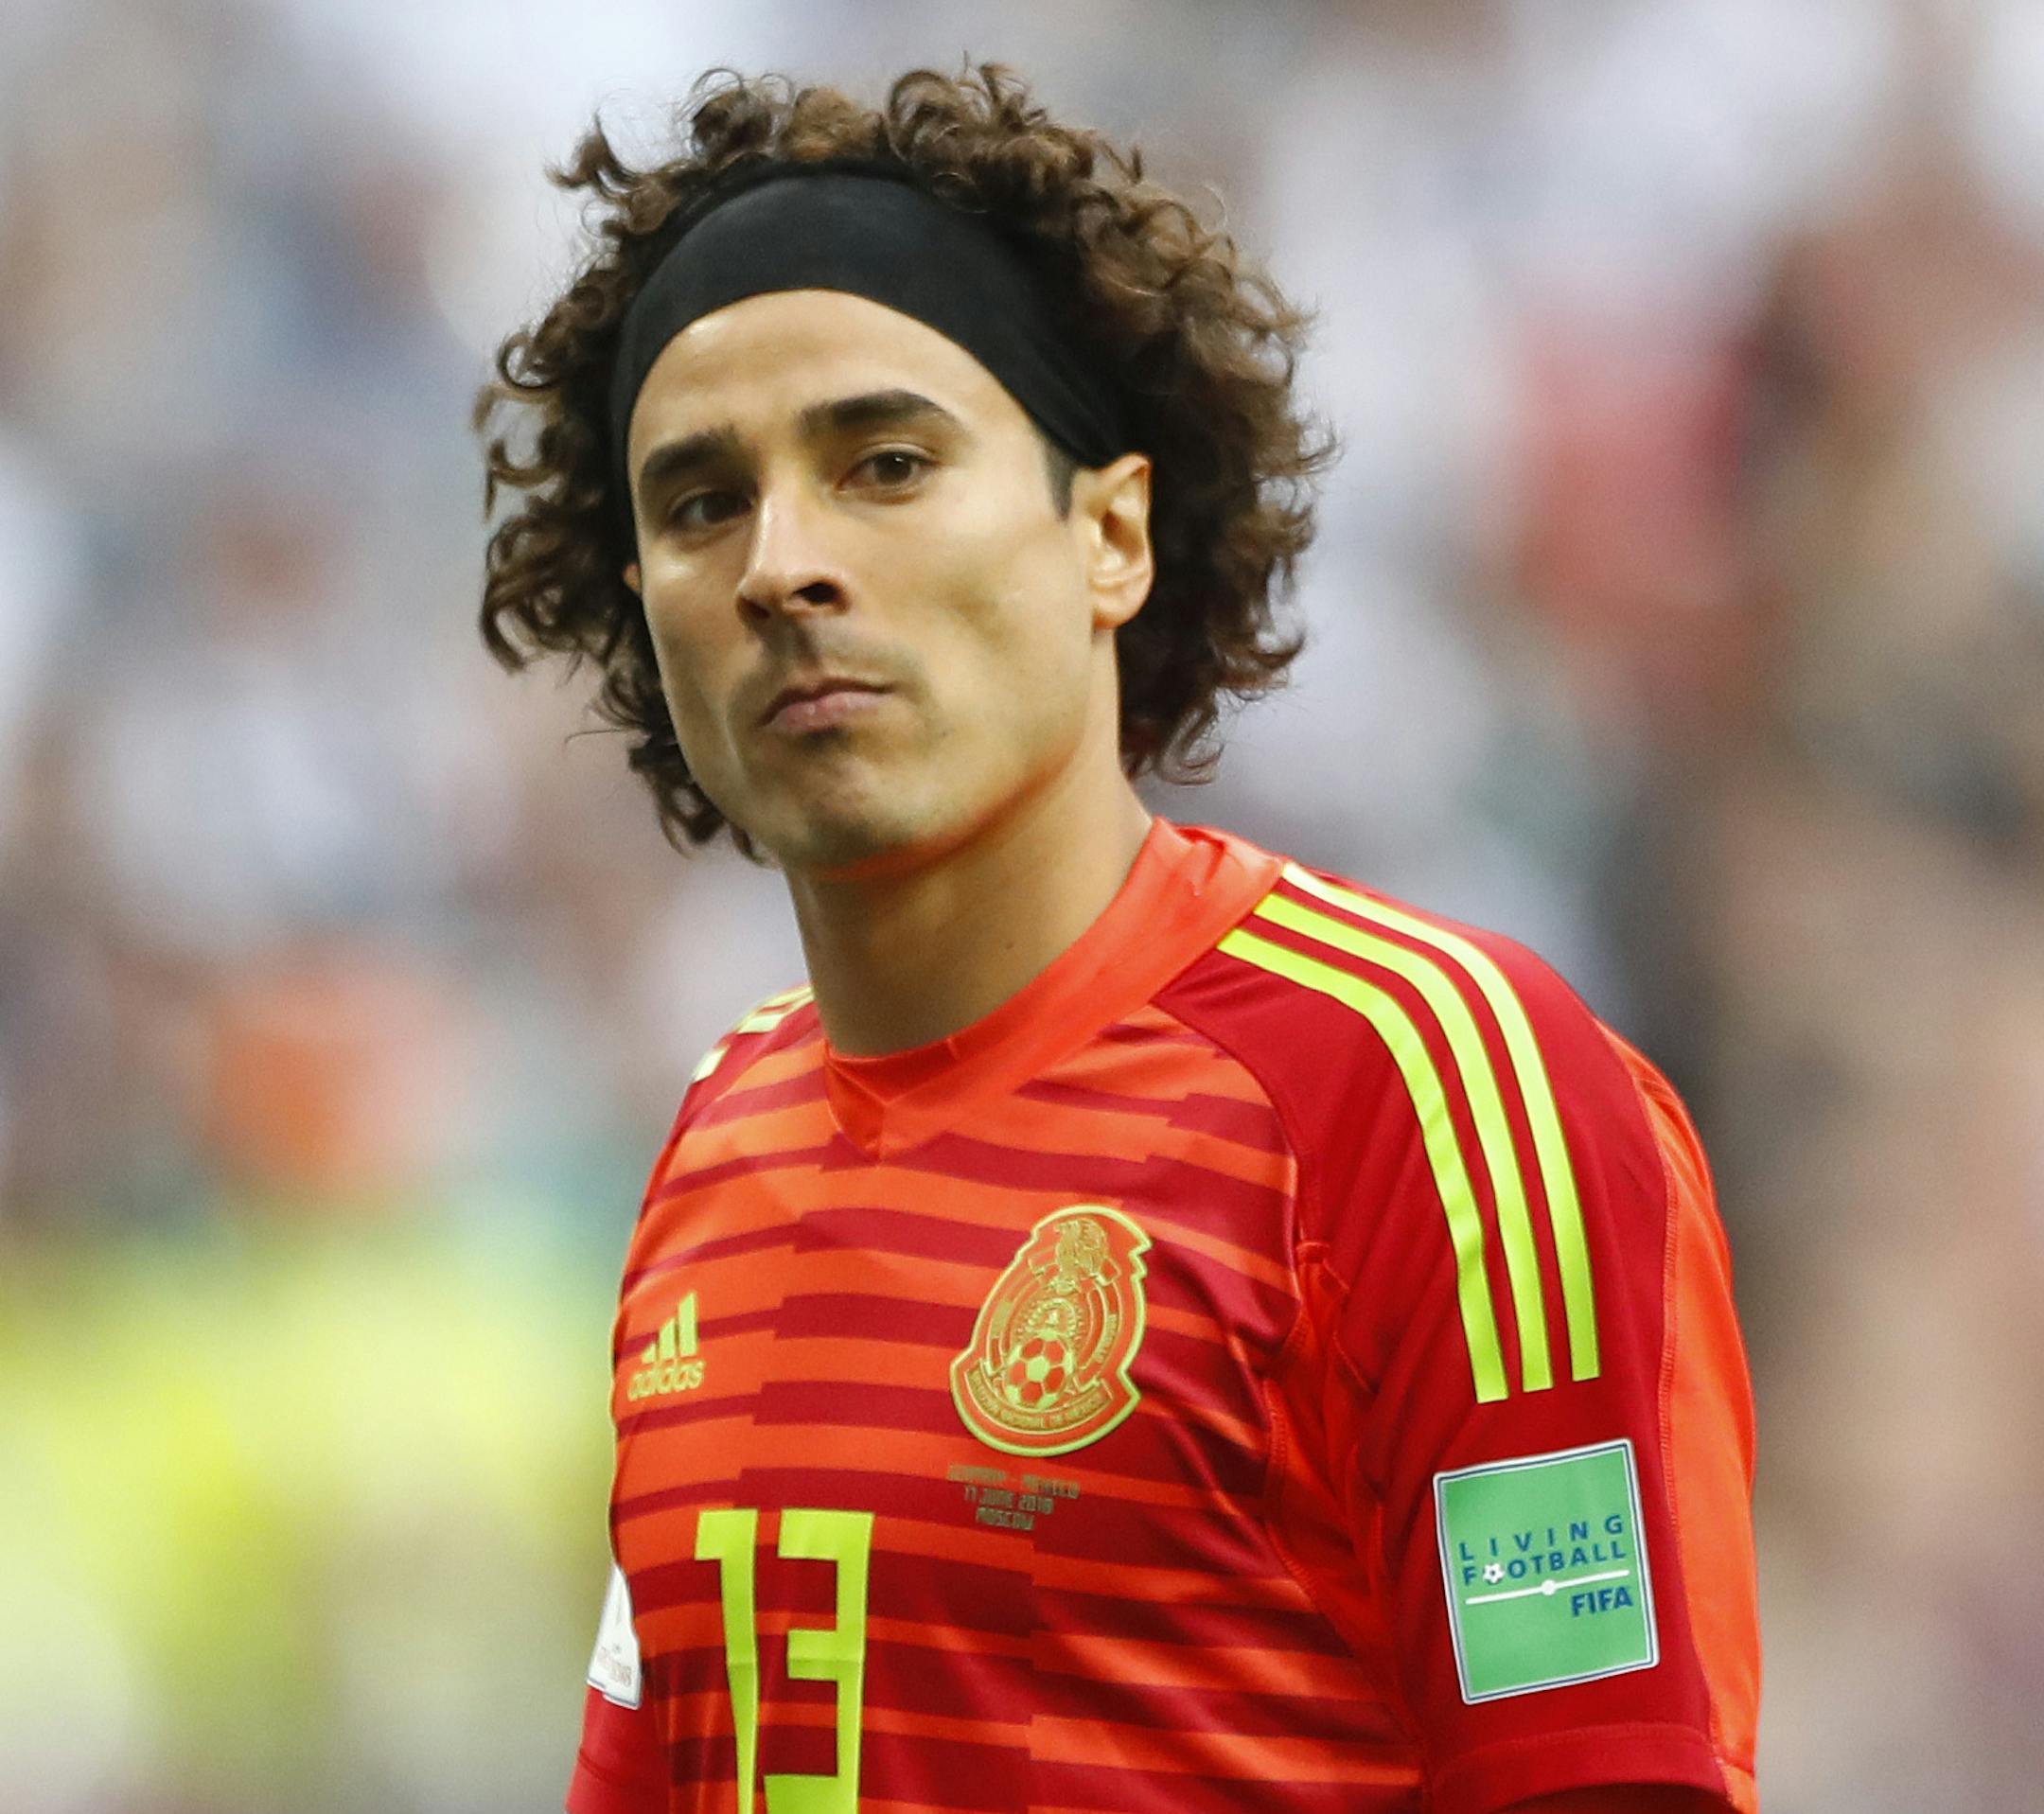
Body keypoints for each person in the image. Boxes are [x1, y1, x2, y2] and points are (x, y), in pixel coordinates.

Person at [475, 63, 1759, 1814]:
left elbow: (1601, 1778)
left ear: (1111, 532)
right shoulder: (717, 1137)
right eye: (701, 503)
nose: (783, 561)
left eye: (887, 464)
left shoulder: (1430, 1084)